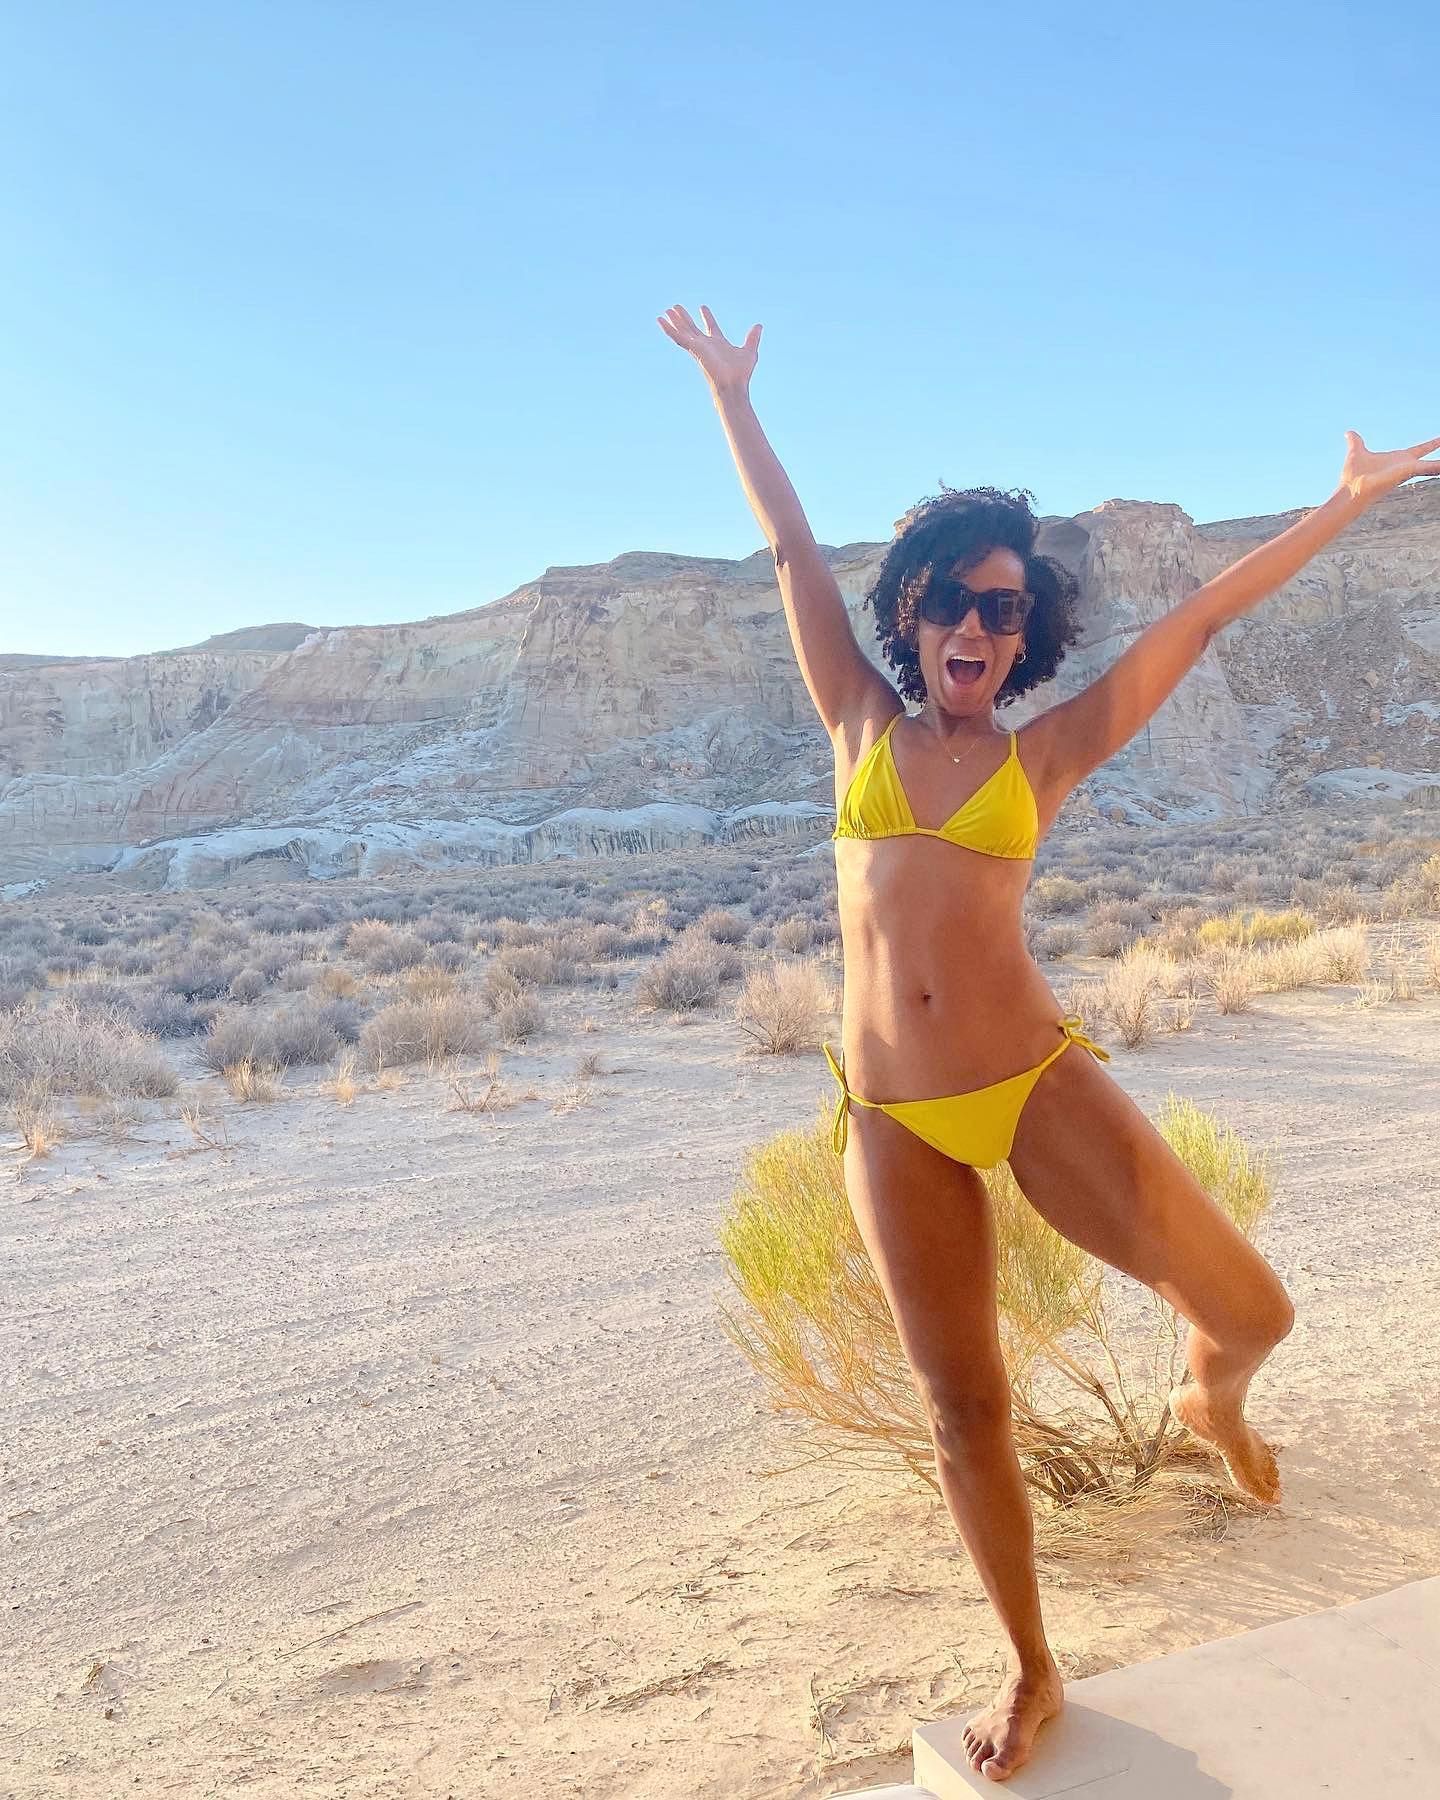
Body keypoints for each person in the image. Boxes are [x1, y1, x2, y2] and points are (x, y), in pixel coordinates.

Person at [658, 301, 1440, 1784]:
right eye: (953, 600)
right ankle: (1032, 1666)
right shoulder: (854, 725)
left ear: (1029, 637)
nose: (976, 626)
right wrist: (734, 395)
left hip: (1031, 1086)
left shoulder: (1049, 752)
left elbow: (1197, 624)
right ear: (913, 615)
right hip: (892, 1120)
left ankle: (1206, 1395)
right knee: (967, 1411)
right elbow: (789, 549)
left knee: (1257, 1315)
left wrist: (1345, 501)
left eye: (1005, 610)